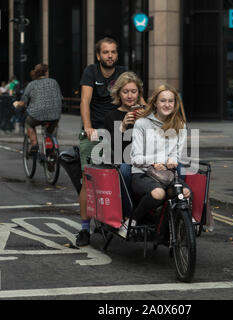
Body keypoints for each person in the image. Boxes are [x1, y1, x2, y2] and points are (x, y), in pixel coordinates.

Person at [75, 37, 129, 247]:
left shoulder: (123, 72)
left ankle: (121, 219)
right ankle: (84, 229)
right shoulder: (91, 72)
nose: (109, 56)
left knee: (127, 173)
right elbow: (85, 101)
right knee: (88, 180)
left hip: (119, 130)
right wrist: (88, 127)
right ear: (98, 56)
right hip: (96, 131)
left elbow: (137, 98)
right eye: (105, 52)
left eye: (113, 52)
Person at [127, 84, 191, 238]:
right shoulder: (142, 123)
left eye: (171, 101)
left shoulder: (180, 125)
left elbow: (177, 155)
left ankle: (168, 229)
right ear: (155, 103)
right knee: (158, 193)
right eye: (163, 101)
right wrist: (157, 160)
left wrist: (172, 160)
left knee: (186, 193)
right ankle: (134, 219)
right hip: (142, 173)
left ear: (175, 104)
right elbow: (135, 159)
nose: (167, 105)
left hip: (168, 175)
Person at [104, 71, 145, 220]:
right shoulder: (111, 116)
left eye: (133, 92)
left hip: (147, 159)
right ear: (119, 94)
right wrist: (122, 127)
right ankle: (128, 215)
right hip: (125, 160)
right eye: (125, 92)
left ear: (138, 93)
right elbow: (114, 149)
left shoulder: (147, 114)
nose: (129, 96)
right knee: (125, 170)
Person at [13, 64, 62, 154]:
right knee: (49, 132)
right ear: (46, 72)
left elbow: (23, 102)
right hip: (55, 115)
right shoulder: (54, 82)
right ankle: (50, 151)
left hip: (36, 115)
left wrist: (16, 103)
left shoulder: (31, 85)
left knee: (28, 123)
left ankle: (34, 144)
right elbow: (60, 98)